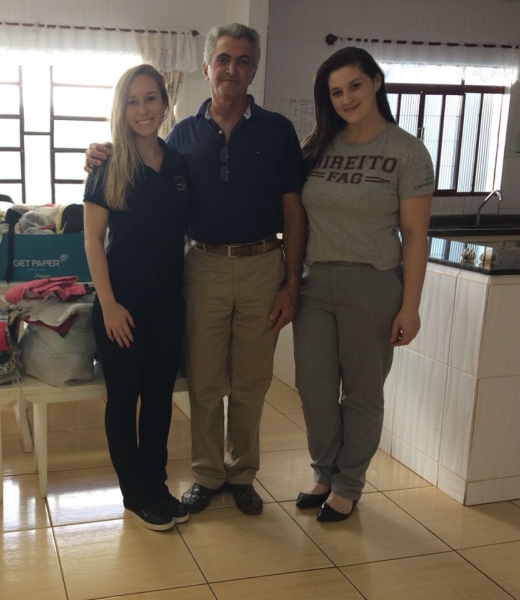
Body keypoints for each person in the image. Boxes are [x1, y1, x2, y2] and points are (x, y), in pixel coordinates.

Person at [87, 24, 306, 516]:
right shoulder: (182, 135)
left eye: (243, 60)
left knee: (250, 382)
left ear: (253, 69)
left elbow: (294, 210)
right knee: (204, 383)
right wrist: (100, 152)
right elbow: (125, 188)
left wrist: (292, 282)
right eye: (223, 59)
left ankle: (241, 473)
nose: (232, 69)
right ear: (206, 68)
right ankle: (207, 474)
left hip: (261, 266)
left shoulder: (276, 131)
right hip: (202, 267)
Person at [293, 47, 434, 522]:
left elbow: (415, 235)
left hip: (373, 285)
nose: (346, 98)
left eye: (354, 85)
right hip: (315, 284)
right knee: (313, 388)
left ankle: (348, 483)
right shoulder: (317, 146)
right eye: (336, 92)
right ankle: (324, 470)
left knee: (362, 393)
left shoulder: (407, 151)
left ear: (376, 81)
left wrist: (410, 306)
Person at [84, 64, 190, 531]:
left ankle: (157, 485)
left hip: (168, 305)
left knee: (160, 400)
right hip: (121, 305)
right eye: (132, 101)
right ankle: (135, 493)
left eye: (150, 99)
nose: (142, 109)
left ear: (165, 103)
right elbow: (92, 241)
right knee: (124, 400)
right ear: (121, 109)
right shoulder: (107, 165)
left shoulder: (179, 165)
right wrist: (108, 305)